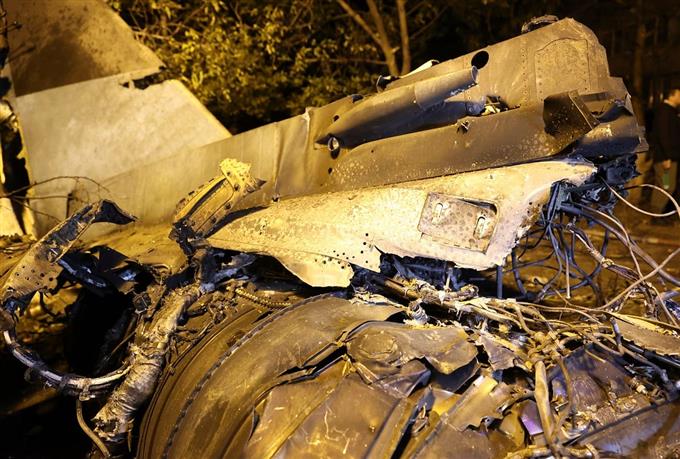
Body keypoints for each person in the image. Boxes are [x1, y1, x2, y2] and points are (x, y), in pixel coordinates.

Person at [650, 87, 680, 218]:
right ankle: (656, 214)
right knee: (666, 186)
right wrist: (666, 157)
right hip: (666, 160)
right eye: (679, 95)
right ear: (672, 95)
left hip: (668, 157)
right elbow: (663, 136)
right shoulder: (664, 112)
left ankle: (659, 214)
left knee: (665, 185)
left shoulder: (670, 112)